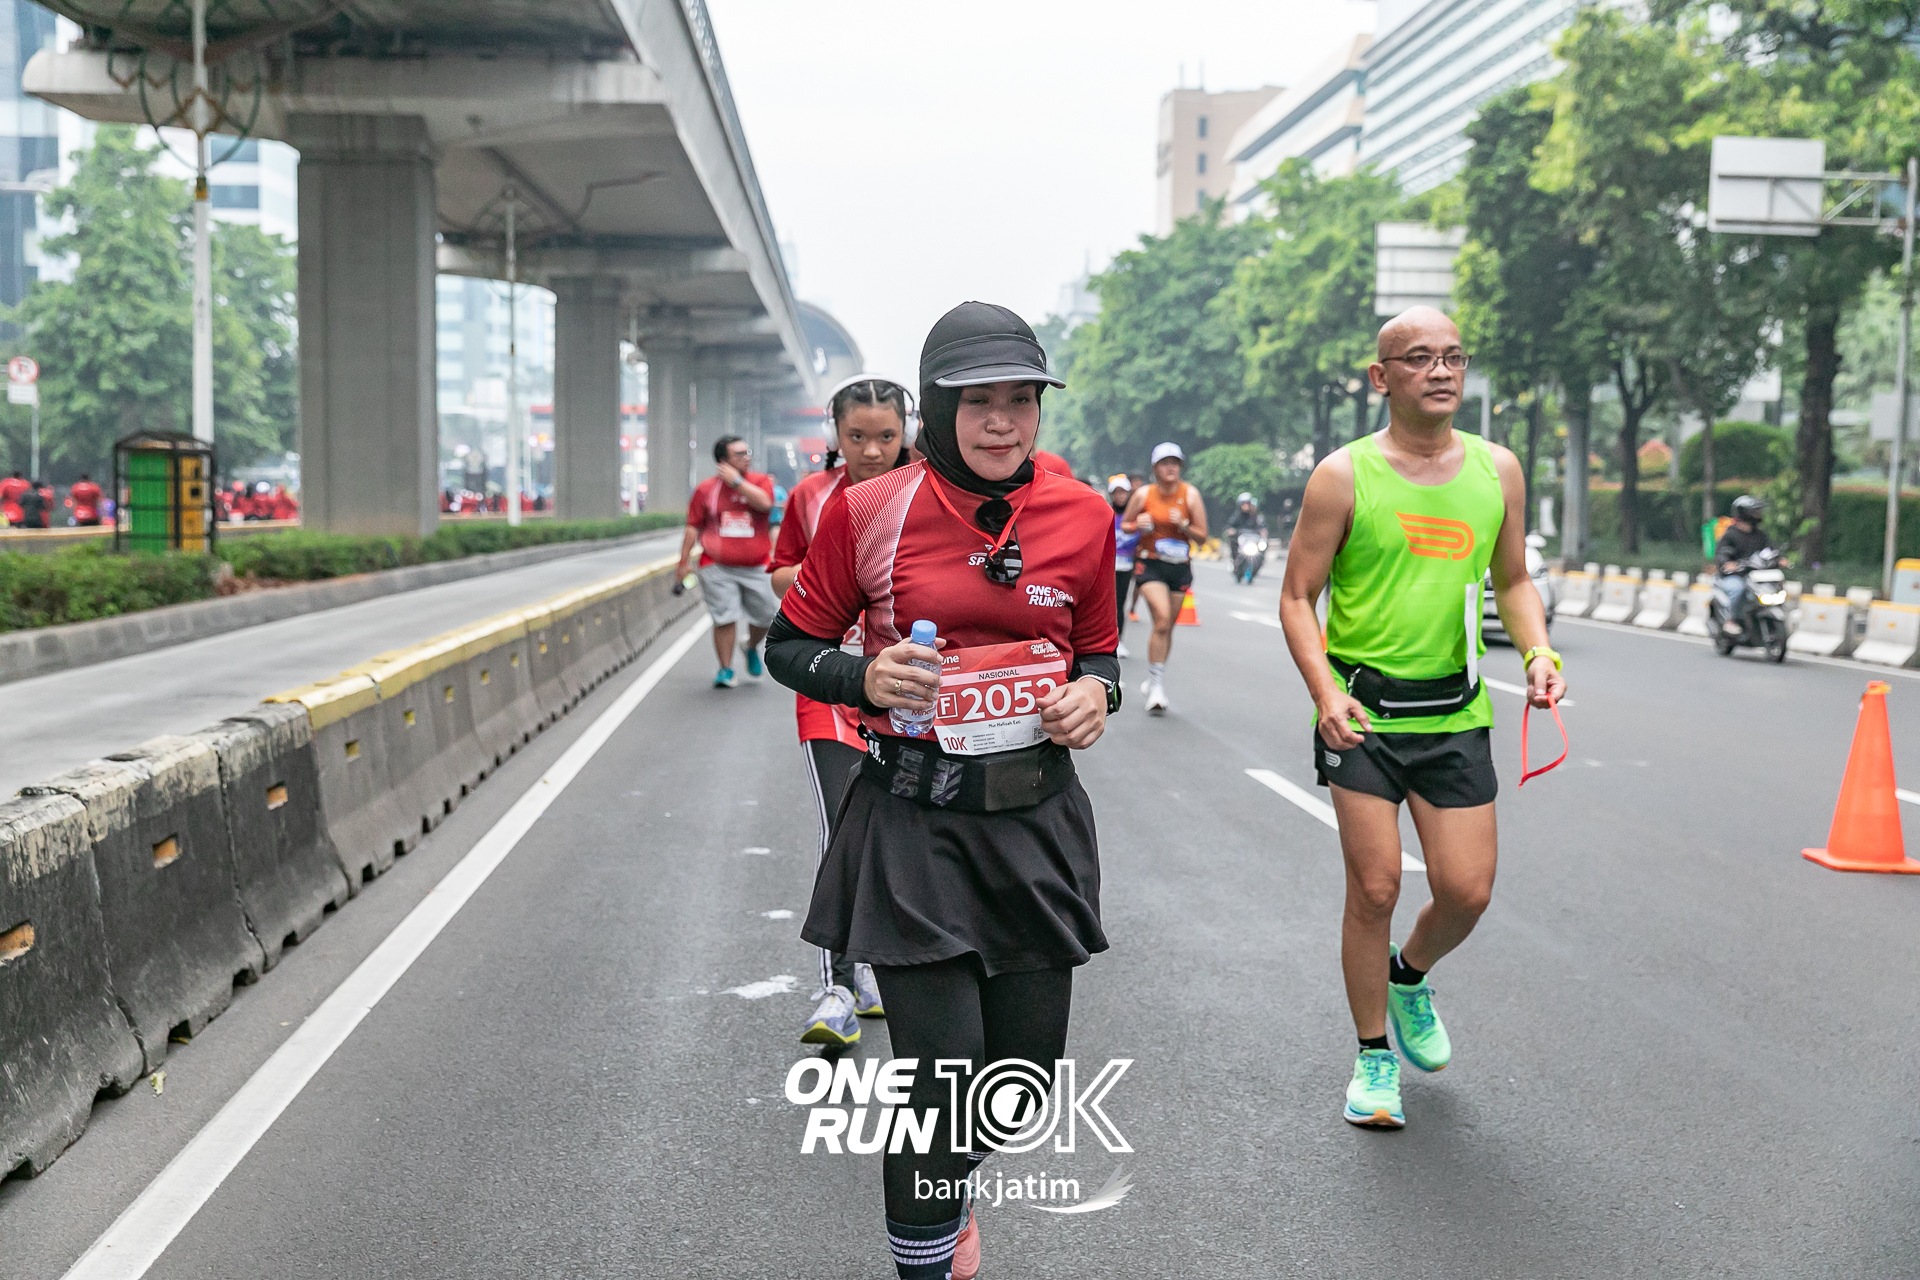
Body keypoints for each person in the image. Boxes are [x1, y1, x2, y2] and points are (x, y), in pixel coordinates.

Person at [766, 301, 1119, 1280]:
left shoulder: (1085, 514)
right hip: (912, 819)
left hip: (1036, 822)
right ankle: (923, 1253)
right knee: (940, 1082)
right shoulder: (870, 512)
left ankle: (946, 1193)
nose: (1003, 422)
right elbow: (788, 645)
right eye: (978, 402)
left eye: (1021, 401)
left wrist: (1097, 693)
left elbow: (1099, 650)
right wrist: (863, 677)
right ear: (936, 406)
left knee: (1020, 1088)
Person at [1278, 306, 1566, 1131]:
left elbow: (1513, 579)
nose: (1440, 371)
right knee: (1375, 886)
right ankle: (1373, 1058)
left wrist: (1538, 651)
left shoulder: (1497, 470)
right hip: (1363, 713)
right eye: (1418, 358)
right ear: (1382, 377)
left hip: (1454, 712)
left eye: (1453, 357)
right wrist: (1325, 694)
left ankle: (1409, 976)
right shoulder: (1343, 476)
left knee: (1466, 892)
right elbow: (1297, 596)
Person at [769, 373, 916, 1046]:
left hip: (908, 695)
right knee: (842, 824)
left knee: (902, 836)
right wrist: (830, 580)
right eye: (856, 436)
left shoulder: (927, 493)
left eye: (886, 436)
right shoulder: (810, 497)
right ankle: (837, 984)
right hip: (830, 685)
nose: (872, 451)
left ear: (908, 431)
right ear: (835, 432)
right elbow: (780, 570)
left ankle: (888, 970)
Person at [675, 435, 778, 688]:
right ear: (723, 460)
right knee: (724, 617)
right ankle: (725, 669)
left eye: (747, 452)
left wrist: (737, 482)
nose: (746, 458)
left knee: (767, 615)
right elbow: (693, 526)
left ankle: (750, 646)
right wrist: (683, 562)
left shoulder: (760, 482)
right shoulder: (706, 490)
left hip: (757, 565)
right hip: (716, 565)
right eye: (739, 454)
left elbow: (765, 504)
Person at [1120, 442, 1207, 713]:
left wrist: (1184, 525)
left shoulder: (1190, 495)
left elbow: (1202, 537)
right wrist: (1137, 524)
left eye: (1175, 463)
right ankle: (1157, 687)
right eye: (1165, 463)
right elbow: (1125, 524)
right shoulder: (1144, 494)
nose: (1171, 468)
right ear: (1155, 468)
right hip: (1150, 564)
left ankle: (1153, 679)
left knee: (1167, 626)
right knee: (1161, 617)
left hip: (1179, 566)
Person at [1712, 495, 1772, 636]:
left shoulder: (1760, 535)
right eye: (1755, 512)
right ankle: (1731, 620)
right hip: (1733, 576)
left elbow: (1770, 550)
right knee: (1738, 589)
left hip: (1755, 576)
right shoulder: (1731, 534)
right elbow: (1721, 553)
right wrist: (1728, 563)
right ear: (1744, 513)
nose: (1758, 515)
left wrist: (1780, 559)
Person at [1108, 475, 1138, 659]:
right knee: (1106, 606)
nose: (1120, 496)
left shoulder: (1135, 516)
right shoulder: (1105, 512)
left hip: (1126, 566)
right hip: (1108, 567)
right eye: (1116, 492)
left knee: (1120, 604)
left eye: (1123, 492)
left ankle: (1119, 641)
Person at [1226, 492, 1268, 582]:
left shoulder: (1257, 516)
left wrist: (1263, 531)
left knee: (1262, 549)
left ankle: (1258, 566)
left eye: (1247, 504)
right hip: (1242, 540)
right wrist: (1231, 531)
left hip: (1253, 540)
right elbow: (1230, 526)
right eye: (1243, 504)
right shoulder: (1237, 516)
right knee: (1233, 543)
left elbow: (1262, 526)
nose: (1246, 506)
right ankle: (1235, 562)